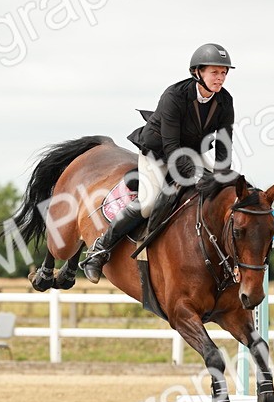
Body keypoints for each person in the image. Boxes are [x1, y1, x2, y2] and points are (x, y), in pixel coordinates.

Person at [81, 43, 237, 283]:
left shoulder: (225, 101)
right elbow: (172, 148)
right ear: (198, 72)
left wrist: (222, 178)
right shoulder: (174, 96)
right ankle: (99, 251)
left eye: (224, 73)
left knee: (221, 191)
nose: (220, 78)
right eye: (215, 72)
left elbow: (224, 145)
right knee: (148, 202)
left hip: (192, 152)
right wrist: (197, 175)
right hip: (159, 151)